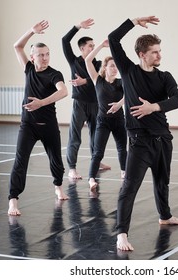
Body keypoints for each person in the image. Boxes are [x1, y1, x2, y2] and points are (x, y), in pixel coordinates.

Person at [108, 16, 178, 251]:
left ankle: (165, 216)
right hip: (139, 141)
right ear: (142, 54)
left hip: (163, 139)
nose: (159, 56)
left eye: (159, 51)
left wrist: (153, 106)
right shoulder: (128, 71)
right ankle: (121, 233)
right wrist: (133, 21)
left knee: (162, 182)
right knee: (130, 187)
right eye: (154, 52)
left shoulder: (165, 77)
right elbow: (114, 39)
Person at [8, 20, 69, 216]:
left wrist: (41, 103)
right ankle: (13, 200)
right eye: (40, 55)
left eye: (47, 54)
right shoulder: (28, 69)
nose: (44, 58)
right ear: (33, 57)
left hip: (48, 124)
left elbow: (64, 91)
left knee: (56, 160)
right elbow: (17, 46)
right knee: (20, 161)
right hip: (28, 125)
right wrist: (31, 32)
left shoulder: (54, 74)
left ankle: (58, 186)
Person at [62, 18, 110, 180]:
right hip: (79, 104)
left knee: (96, 135)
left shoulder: (97, 64)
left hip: (96, 104)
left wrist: (85, 81)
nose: (93, 47)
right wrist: (77, 27)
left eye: (94, 45)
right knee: (75, 136)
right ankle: (72, 168)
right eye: (90, 45)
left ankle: (97, 162)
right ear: (82, 49)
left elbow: (100, 80)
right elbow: (64, 40)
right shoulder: (74, 61)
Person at [85, 39, 127, 192]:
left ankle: (124, 173)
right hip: (103, 121)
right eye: (112, 66)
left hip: (119, 120)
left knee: (122, 149)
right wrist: (101, 46)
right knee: (98, 152)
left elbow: (130, 95)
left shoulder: (121, 82)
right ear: (105, 68)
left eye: (116, 66)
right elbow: (88, 60)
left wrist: (119, 104)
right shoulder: (98, 80)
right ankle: (91, 179)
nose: (115, 69)